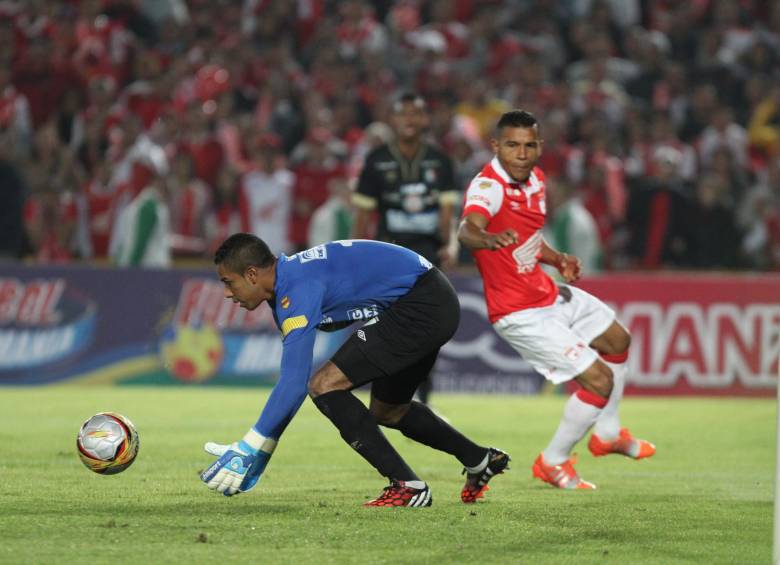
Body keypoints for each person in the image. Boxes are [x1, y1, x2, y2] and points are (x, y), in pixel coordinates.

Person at [200, 233, 509, 506]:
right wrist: (261, 452)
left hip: (419, 306)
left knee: (324, 385)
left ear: (252, 274)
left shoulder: (296, 290)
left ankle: (408, 486)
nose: (228, 293)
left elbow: (294, 383)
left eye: (229, 282)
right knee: (389, 411)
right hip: (431, 298)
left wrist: (249, 446)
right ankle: (479, 459)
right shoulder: (292, 277)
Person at [457, 110, 655, 490]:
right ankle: (553, 461)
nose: (521, 154)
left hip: (545, 292)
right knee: (597, 380)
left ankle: (608, 434)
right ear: (496, 146)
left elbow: (530, 239)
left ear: (539, 147)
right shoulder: (489, 186)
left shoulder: (537, 181)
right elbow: (468, 230)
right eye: (512, 145)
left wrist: (557, 258)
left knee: (618, 340)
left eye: (529, 145)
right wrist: (486, 240)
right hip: (518, 312)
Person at [351, 92, 459, 405]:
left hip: (426, 252)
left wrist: (450, 246)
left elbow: (447, 216)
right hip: (390, 252)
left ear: (425, 120)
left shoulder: (440, 161)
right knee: (386, 324)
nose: (409, 120)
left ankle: (424, 400)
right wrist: (356, 258)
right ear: (393, 120)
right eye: (403, 114)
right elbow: (362, 217)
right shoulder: (376, 161)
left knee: (428, 326)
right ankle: (384, 396)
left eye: (416, 114)